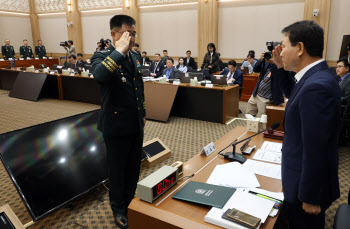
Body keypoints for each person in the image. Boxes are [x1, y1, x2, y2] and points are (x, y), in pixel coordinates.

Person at [273, 20, 340, 229]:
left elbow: (317, 147)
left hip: (307, 191)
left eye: (284, 46)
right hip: (301, 178)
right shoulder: (315, 77)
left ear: (300, 48)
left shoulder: (316, 86)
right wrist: (279, 67)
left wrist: (311, 196)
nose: (280, 52)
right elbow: (294, 97)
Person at [91, 14, 145, 229]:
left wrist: (143, 113)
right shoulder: (101, 56)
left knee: (133, 168)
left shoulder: (135, 56)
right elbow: (100, 76)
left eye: (133, 34)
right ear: (113, 34)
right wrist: (119, 51)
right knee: (117, 170)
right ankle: (118, 209)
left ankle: (130, 202)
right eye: (126, 34)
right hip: (115, 126)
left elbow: (138, 88)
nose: (131, 38)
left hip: (135, 124)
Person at [246, 47, 284, 118]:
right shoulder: (266, 63)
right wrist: (261, 60)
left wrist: (274, 62)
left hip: (265, 98)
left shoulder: (281, 65)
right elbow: (255, 69)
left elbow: (280, 75)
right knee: (249, 115)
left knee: (261, 120)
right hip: (256, 94)